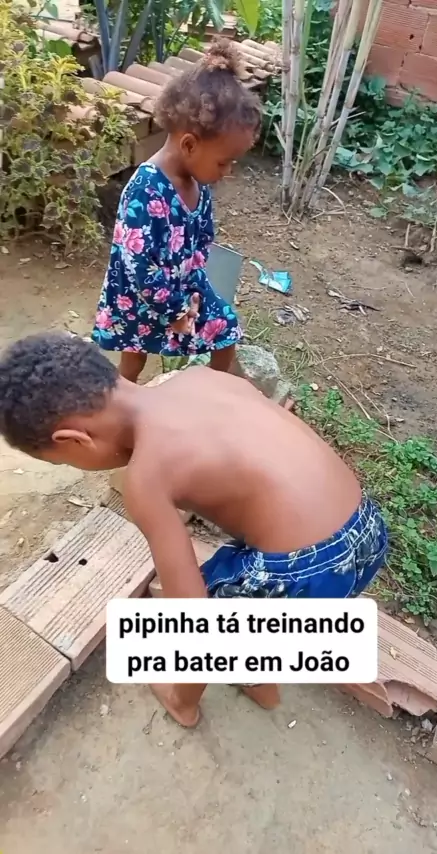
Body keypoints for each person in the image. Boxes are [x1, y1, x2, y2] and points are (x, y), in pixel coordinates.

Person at [0, 333, 388, 726]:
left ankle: (233, 687)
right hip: (369, 531)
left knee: (210, 607)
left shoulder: (147, 478)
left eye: (64, 462)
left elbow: (192, 616)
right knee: (244, 568)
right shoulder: (200, 378)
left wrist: (182, 696)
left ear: (74, 441)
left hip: (305, 575)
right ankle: (267, 661)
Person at [91, 39, 261, 383]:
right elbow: (139, 267)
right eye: (223, 162)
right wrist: (175, 309)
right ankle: (124, 398)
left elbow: (202, 242)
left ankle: (207, 393)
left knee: (226, 328)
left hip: (183, 288)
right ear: (189, 145)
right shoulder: (145, 190)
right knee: (134, 355)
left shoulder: (199, 183)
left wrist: (194, 295)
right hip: (139, 298)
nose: (228, 171)